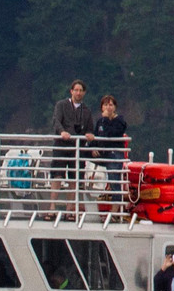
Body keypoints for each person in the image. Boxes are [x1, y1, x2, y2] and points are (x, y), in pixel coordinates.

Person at [49, 79, 94, 212]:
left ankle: (70, 208)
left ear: (84, 93)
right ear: (71, 91)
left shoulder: (86, 111)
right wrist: (62, 131)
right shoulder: (61, 105)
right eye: (76, 90)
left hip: (77, 148)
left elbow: (90, 128)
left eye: (81, 90)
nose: (78, 93)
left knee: (74, 178)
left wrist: (90, 134)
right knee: (57, 175)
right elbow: (56, 121)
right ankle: (52, 206)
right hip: (61, 145)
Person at [92, 95, 128, 198]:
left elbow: (110, 134)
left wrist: (106, 119)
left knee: (114, 181)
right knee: (82, 154)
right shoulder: (100, 121)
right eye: (106, 104)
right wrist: (93, 148)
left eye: (111, 105)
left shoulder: (120, 121)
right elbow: (96, 135)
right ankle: (82, 183)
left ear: (115, 107)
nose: (108, 107)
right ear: (102, 107)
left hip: (114, 153)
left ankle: (115, 209)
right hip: (103, 153)